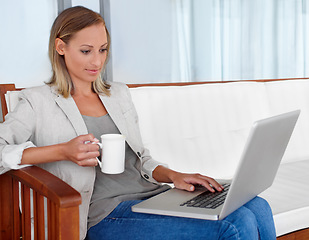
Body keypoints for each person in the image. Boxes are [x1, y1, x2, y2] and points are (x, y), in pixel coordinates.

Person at [0, 6, 276, 240]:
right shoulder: (38, 101)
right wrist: (62, 151)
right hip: (104, 214)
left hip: (153, 196)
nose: (97, 61)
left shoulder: (117, 94)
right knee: (234, 224)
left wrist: (174, 175)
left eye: (103, 49)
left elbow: (140, 158)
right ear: (61, 47)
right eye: (86, 51)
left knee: (256, 205)